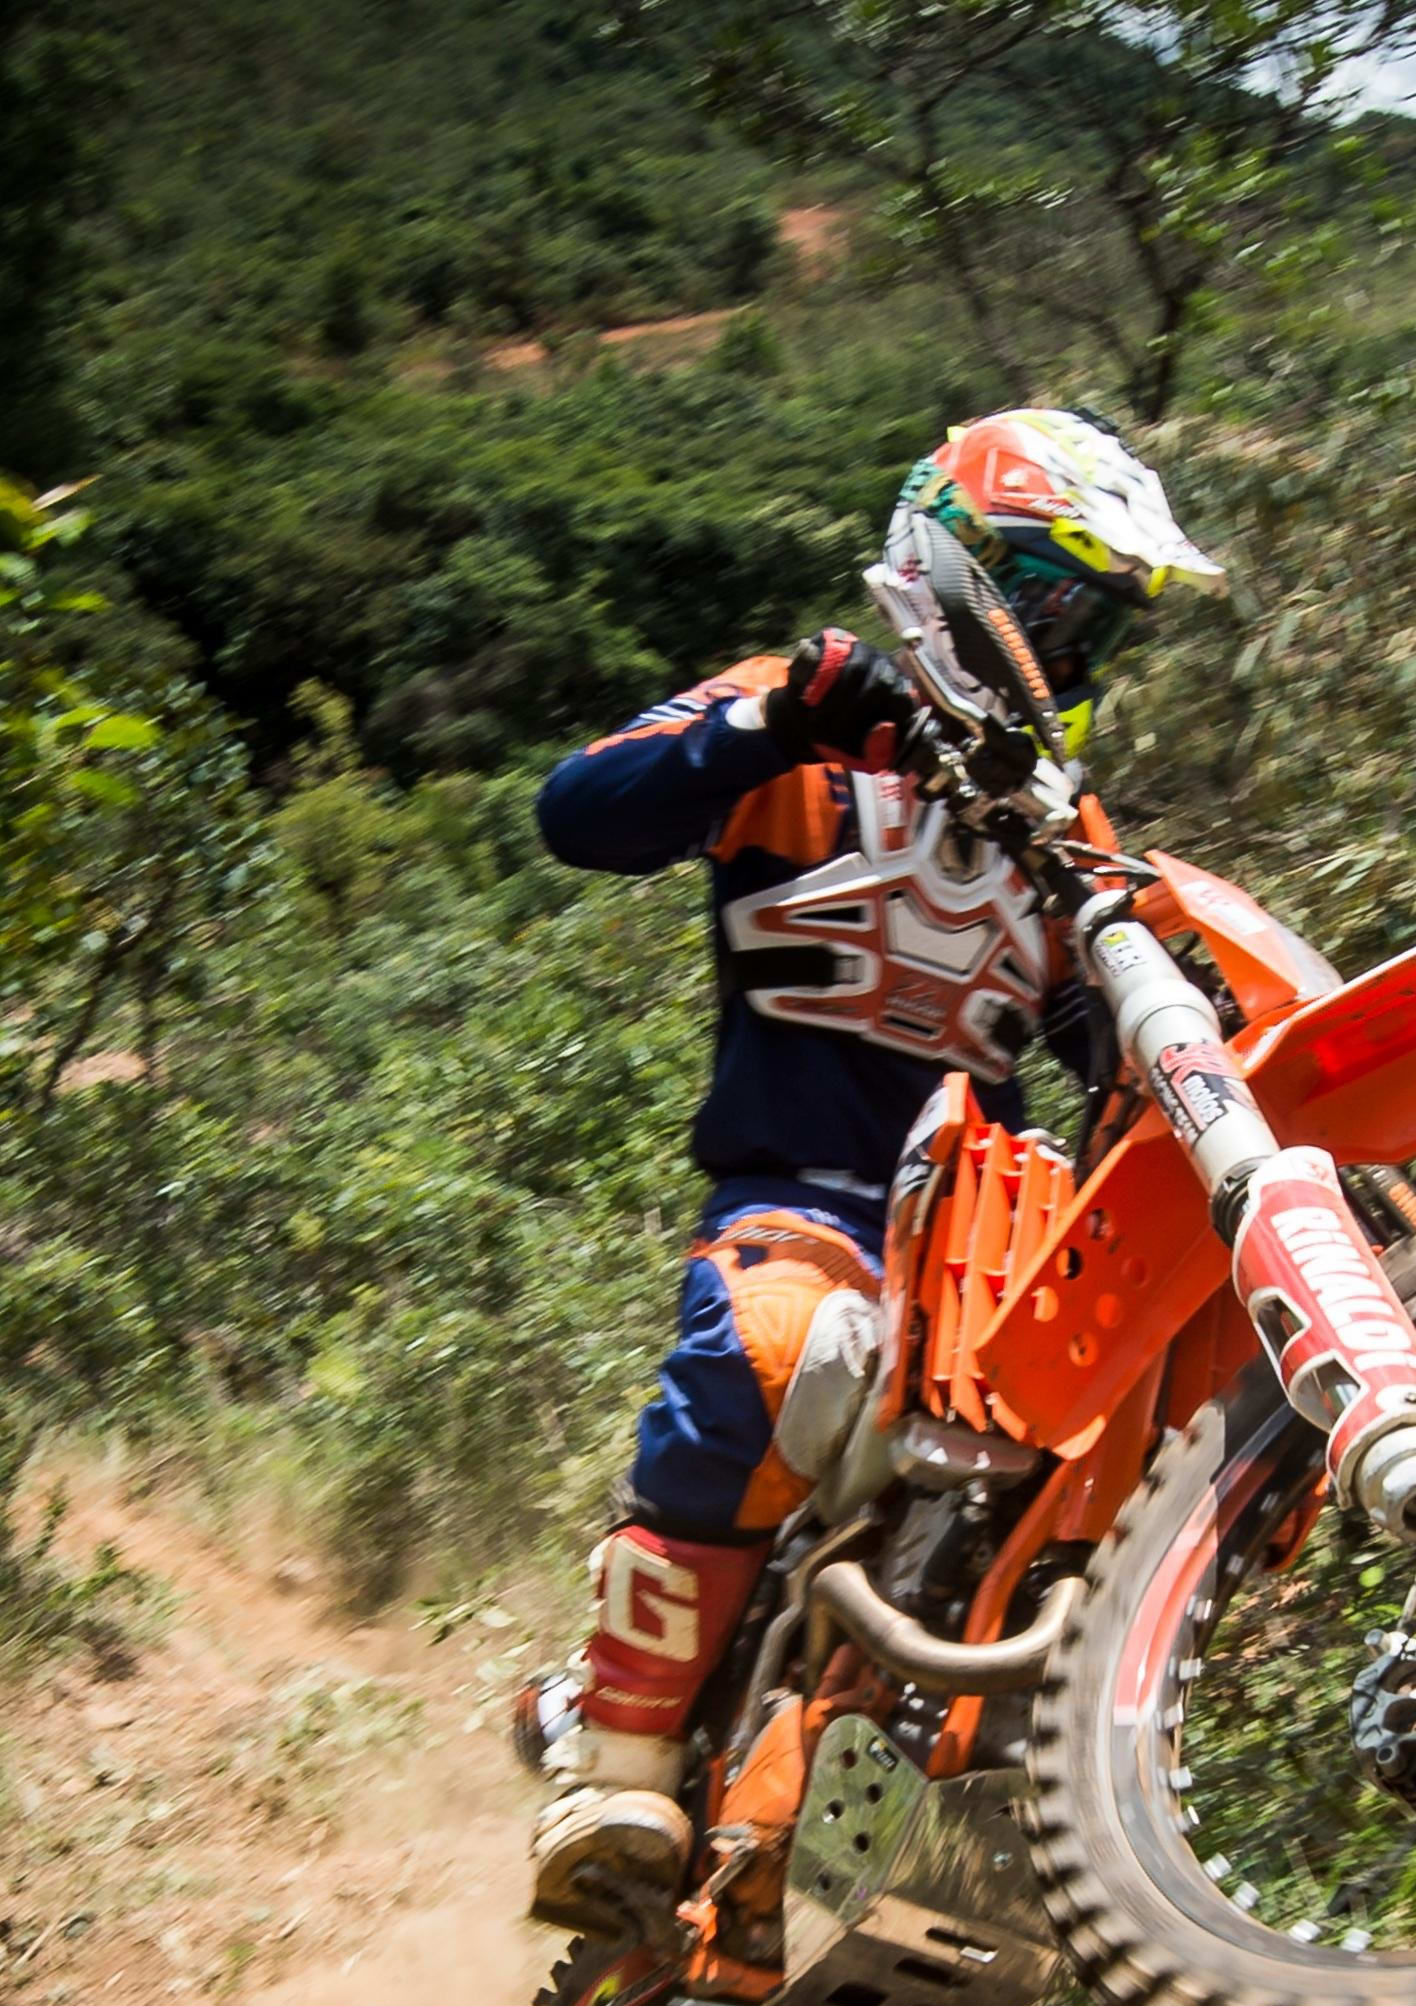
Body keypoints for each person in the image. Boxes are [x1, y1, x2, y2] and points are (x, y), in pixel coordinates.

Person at [520, 406, 1222, 1926]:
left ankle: (1004, 1840)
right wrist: (776, 721)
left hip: (979, 1238)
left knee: (1131, 1439)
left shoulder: (1058, 822)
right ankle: (620, 1753)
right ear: (953, 571)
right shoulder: (798, 722)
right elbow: (580, 813)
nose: (1067, 647)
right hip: (801, 1199)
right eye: (1049, 602)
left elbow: (1099, 1035)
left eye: (1093, 625)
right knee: (784, 1345)